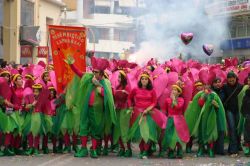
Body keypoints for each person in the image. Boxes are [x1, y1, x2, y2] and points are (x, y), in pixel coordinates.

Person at [65, 56, 116, 158]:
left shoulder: (105, 82)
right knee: (83, 127)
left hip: (98, 111)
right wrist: (71, 64)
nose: (94, 73)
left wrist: (99, 87)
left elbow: (108, 96)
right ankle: (83, 149)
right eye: (93, 71)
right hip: (86, 108)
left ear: (101, 73)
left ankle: (93, 149)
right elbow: (79, 73)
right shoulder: (89, 78)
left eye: (96, 72)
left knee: (95, 130)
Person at [185, 71, 227, 158]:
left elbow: (219, 107)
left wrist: (216, 105)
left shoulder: (214, 94)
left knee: (210, 132)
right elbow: (198, 105)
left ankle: (210, 149)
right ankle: (201, 148)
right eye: (205, 84)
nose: (206, 86)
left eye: (207, 84)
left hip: (211, 117)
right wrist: (203, 97)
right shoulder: (200, 94)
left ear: (210, 85)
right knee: (201, 133)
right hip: (202, 118)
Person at [128, 71, 166, 159]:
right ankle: (141, 150)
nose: (144, 80)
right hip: (138, 113)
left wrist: (147, 109)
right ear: (140, 80)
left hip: (149, 114)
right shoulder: (135, 89)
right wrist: (131, 108)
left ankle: (145, 151)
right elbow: (130, 98)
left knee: (148, 134)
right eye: (142, 79)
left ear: (148, 81)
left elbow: (154, 102)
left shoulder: (152, 91)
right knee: (140, 134)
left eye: (146, 79)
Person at [162, 82, 190, 159]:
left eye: (175, 90)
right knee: (170, 135)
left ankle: (179, 150)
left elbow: (178, 107)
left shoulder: (181, 100)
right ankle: (171, 150)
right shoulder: (167, 100)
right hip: (171, 119)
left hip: (179, 120)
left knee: (178, 135)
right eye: (172, 90)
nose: (173, 91)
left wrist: (174, 99)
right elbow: (165, 109)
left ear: (178, 92)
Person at [222, 71, 243, 156]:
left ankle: (237, 145)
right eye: (229, 78)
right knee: (232, 128)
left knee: (238, 129)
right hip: (229, 110)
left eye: (232, 78)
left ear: (235, 78)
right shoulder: (225, 87)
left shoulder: (240, 87)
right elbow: (222, 97)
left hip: (238, 110)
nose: (231, 79)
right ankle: (233, 149)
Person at [113, 70, 132, 157]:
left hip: (125, 109)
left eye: (120, 77)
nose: (118, 78)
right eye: (118, 77)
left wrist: (126, 93)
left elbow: (130, 97)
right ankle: (122, 148)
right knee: (118, 129)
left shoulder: (127, 87)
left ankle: (128, 149)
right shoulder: (118, 86)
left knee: (124, 129)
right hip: (118, 109)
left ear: (124, 78)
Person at [211, 78, 225, 155]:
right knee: (213, 129)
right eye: (216, 82)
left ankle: (220, 149)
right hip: (212, 113)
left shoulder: (223, 91)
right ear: (212, 84)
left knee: (221, 130)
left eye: (219, 82)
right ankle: (212, 148)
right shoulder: (210, 92)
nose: (218, 84)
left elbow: (222, 100)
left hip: (221, 113)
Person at [238, 74, 250, 156]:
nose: (249, 82)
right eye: (248, 80)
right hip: (248, 114)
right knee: (247, 131)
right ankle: (248, 148)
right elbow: (244, 102)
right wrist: (243, 111)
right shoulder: (246, 90)